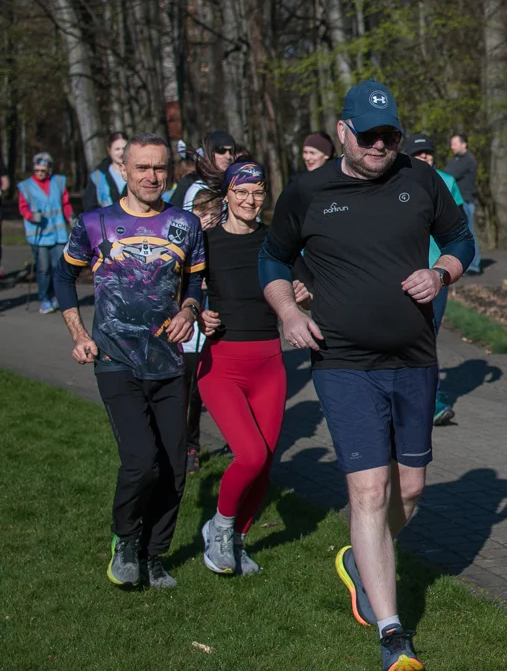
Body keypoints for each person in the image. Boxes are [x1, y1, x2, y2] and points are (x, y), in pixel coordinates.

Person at [258, 80, 473, 671]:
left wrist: (443, 274)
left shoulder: (420, 179)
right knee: (369, 489)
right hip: (343, 360)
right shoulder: (307, 191)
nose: (381, 145)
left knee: (410, 490)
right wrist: (287, 311)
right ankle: (392, 631)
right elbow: (273, 258)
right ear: (345, 132)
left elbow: (460, 240)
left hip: (414, 357)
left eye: (391, 135)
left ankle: (361, 557)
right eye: (370, 135)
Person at [54, 133, 206, 590]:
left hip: (168, 362)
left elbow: (196, 282)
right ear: (123, 169)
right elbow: (63, 277)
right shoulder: (95, 223)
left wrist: (188, 310)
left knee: (174, 466)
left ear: (169, 171)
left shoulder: (185, 224)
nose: (151, 176)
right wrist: (79, 335)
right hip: (115, 358)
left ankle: (154, 555)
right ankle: (125, 539)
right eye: (142, 167)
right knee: (142, 461)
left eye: (159, 168)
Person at [197, 160, 299, 577]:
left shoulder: (275, 241)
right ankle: (218, 528)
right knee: (250, 454)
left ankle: (237, 540)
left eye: (257, 193)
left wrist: (302, 296)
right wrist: (198, 311)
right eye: (242, 192)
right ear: (227, 196)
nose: (250, 200)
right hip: (221, 363)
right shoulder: (205, 242)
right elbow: (177, 292)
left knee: (266, 461)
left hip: (269, 363)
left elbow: (300, 286)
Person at [405, 133, 467, 425]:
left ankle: (432, 401)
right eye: (418, 154)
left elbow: (459, 231)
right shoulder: (398, 181)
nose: (425, 158)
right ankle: (412, 399)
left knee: (428, 336)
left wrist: (449, 266)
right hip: (401, 272)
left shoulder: (446, 181)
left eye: (428, 153)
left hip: (435, 272)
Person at [182, 188, 225, 474]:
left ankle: (190, 447)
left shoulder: (222, 241)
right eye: (203, 215)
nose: (208, 221)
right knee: (185, 395)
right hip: (185, 335)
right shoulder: (185, 239)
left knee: (199, 393)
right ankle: (187, 447)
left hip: (213, 332)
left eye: (214, 215)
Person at [17, 152, 74, 314]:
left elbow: (65, 203)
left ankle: (57, 296)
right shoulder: (26, 186)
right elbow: (23, 207)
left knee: (58, 266)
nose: (40, 173)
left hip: (58, 233)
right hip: (39, 234)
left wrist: (71, 217)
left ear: (49, 169)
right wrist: (31, 216)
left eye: (43, 170)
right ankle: (44, 297)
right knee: (43, 268)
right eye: (37, 170)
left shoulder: (58, 182)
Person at [444, 133, 481, 275]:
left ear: (463, 144)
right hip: (457, 201)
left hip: (465, 201)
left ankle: (474, 265)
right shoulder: (455, 159)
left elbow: (448, 173)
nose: (451, 147)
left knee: (469, 233)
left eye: (454, 144)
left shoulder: (467, 161)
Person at [174, 131, 238, 212]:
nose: (228, 156)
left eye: (232, 152)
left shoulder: (236, 182)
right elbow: (171, 217)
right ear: (208, 152)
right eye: (221, 150)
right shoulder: (190, 181)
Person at [83, 131, 128, 211]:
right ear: (109, 150)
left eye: (124, 149)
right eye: (117, 149)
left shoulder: (138, 173)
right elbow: (90, 206)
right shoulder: (97, 176)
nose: (121, 152)